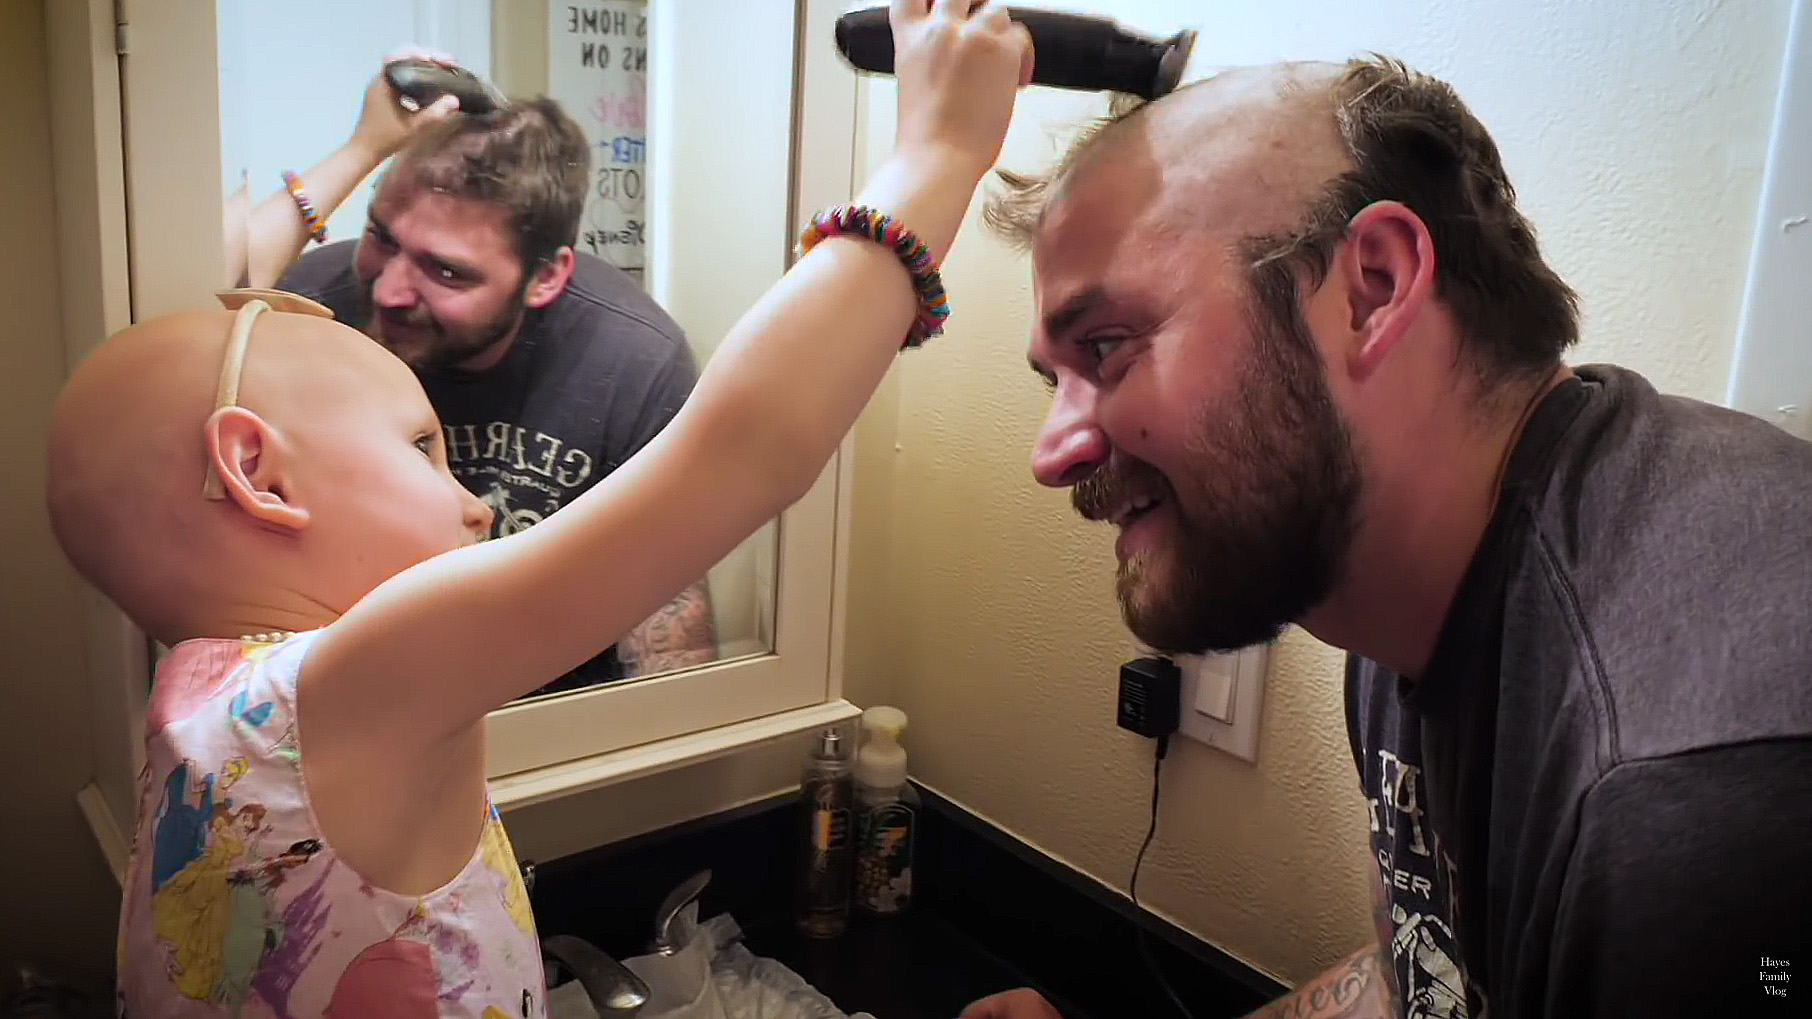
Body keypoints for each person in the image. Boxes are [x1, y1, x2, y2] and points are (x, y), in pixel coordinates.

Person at [45, 3, 1033, 1015]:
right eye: (421, 448)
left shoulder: (199, 691)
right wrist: (939, 151)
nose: (471, 501)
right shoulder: (356, 683)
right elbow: (745, 451)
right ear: (259, 472)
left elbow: (158, 361)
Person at [960, 56, 1812, 1019]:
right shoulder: (1407, 574)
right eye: (1054, 377)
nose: (1053, 453)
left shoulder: (1687, 793)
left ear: (1373, 285)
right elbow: (1425, 981)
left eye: (1106, 347)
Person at [256, 53, 716, 691]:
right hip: (351, 708)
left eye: (446, 271)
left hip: (553, 718)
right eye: (383, 238)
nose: (388, 291)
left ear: (547, 277)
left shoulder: (631, 361)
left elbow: (669, 631)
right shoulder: (305, 311)